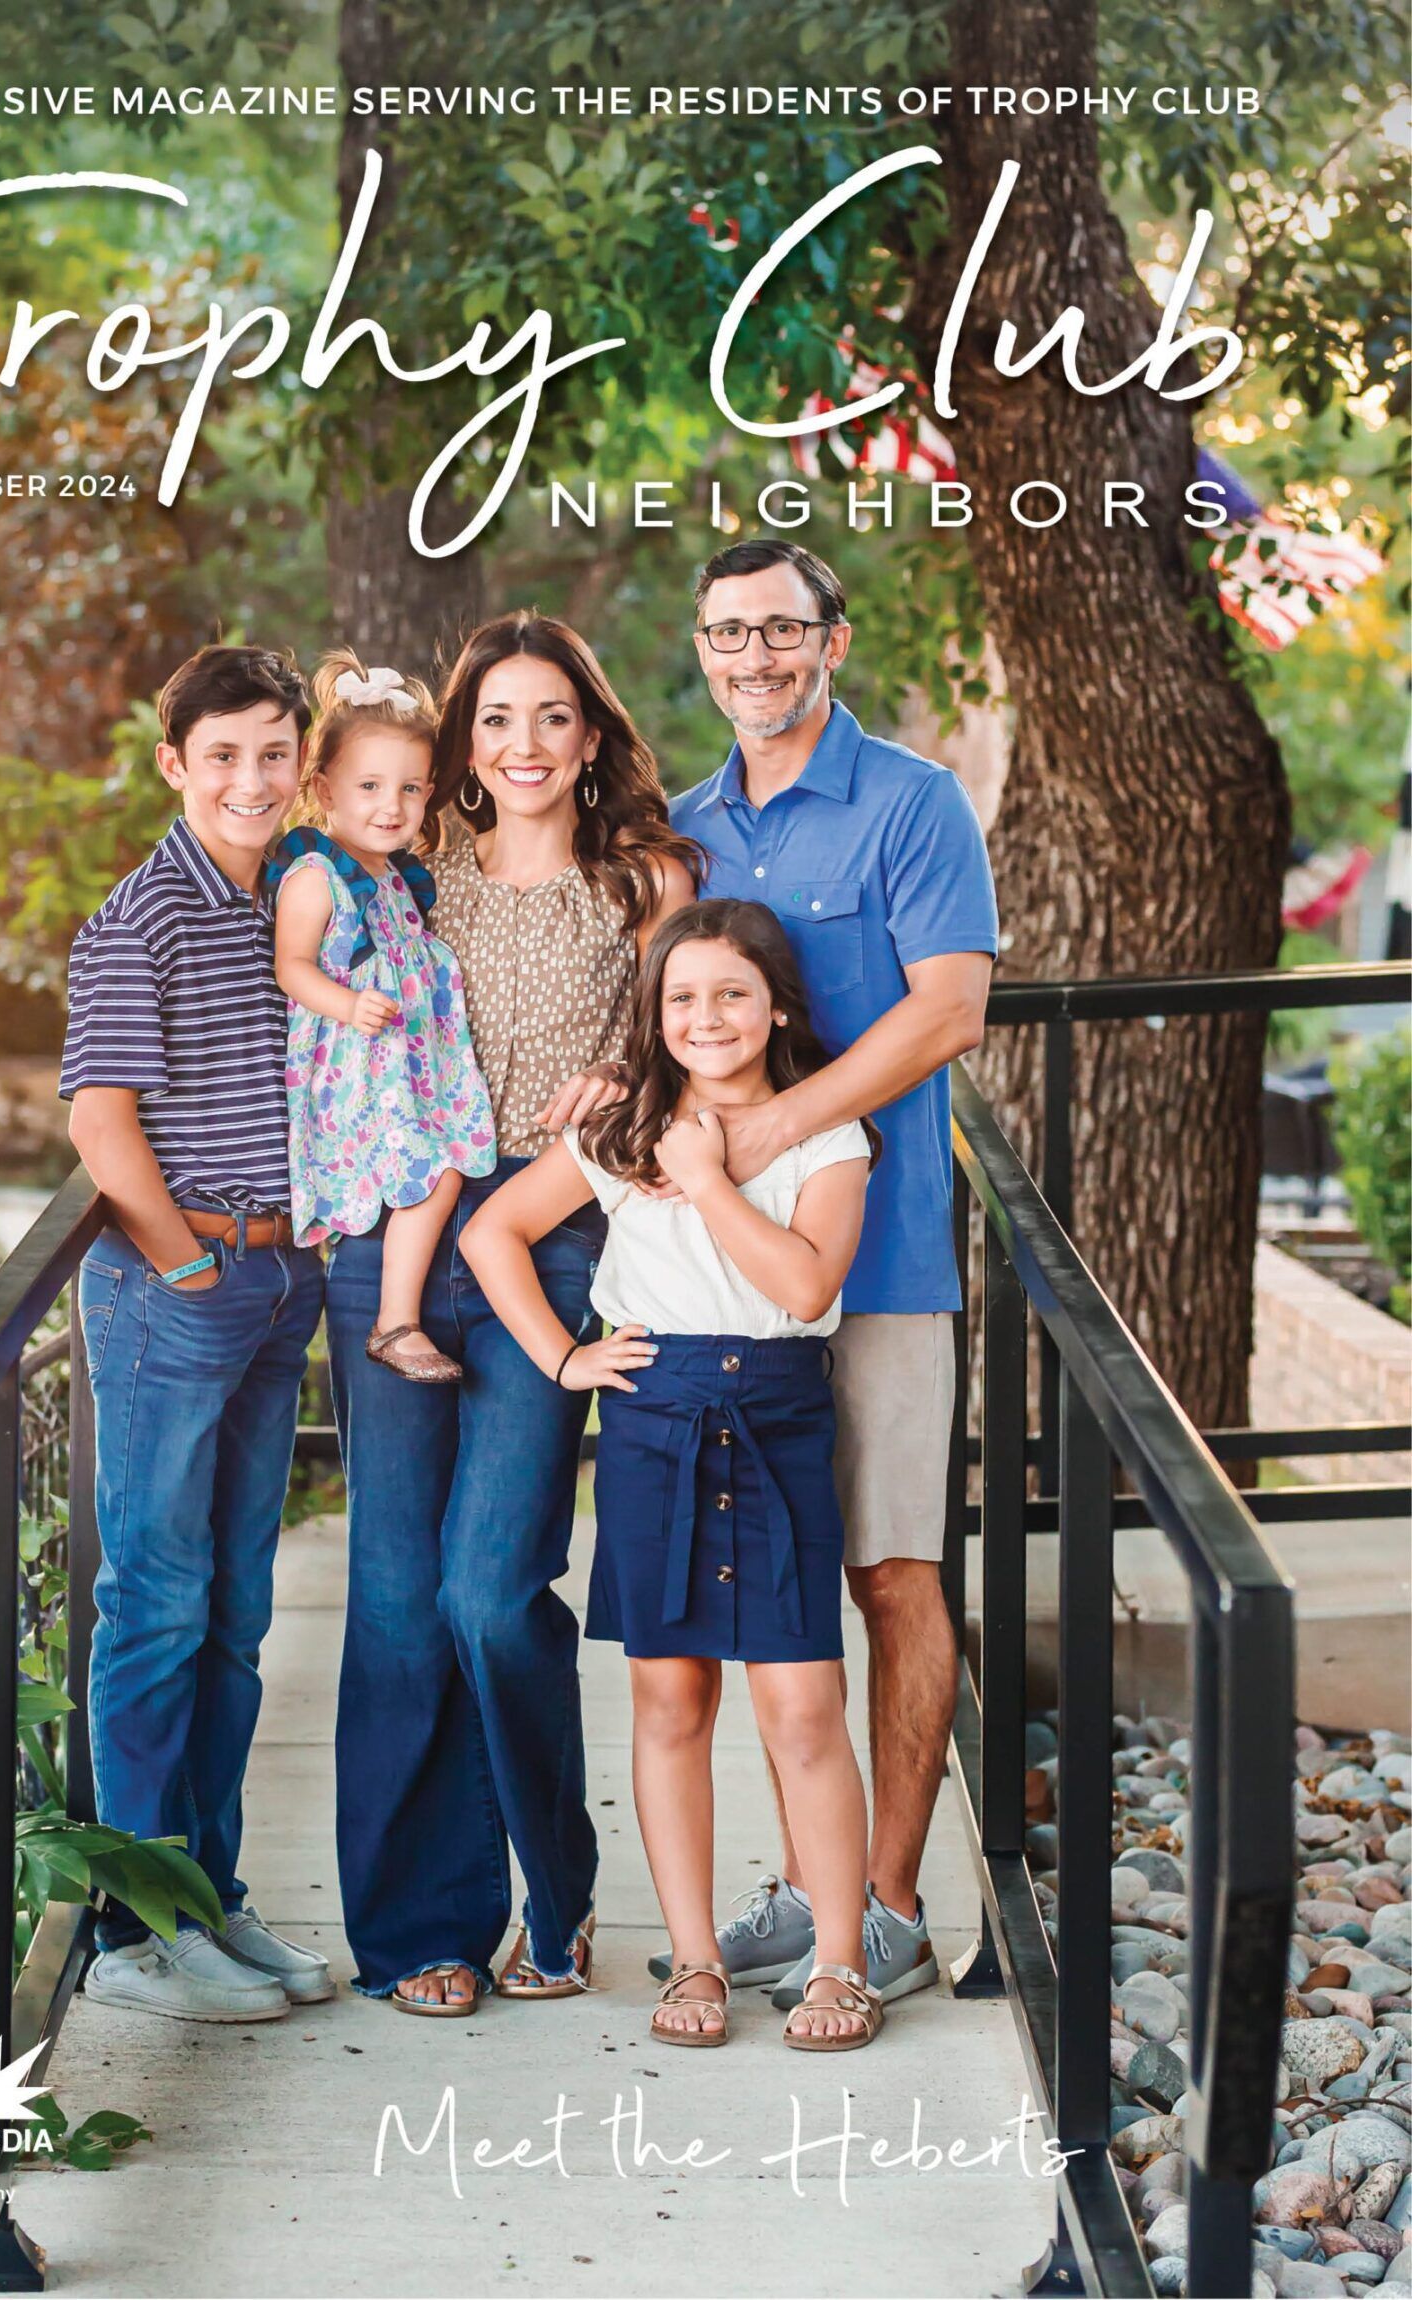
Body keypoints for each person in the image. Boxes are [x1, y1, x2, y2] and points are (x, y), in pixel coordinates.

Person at [327, 610, 699, 2014]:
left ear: (590, 734)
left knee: (490, 1594)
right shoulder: (403, 875)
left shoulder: (642, 884)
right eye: (493, 719)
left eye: (551, 717)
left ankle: (559, 1885)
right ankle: (423, 1927)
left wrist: (612, 1092)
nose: (522, 744)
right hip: (393, 1252)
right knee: (396, 1607)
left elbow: (693, 1049)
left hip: (551, 1248)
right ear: (459, 744)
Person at [664, 539, 997, 2014]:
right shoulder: (679, 831)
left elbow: (949, 1012)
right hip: (728, 1286)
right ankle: (805, 1885)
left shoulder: (914, 803)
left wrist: (776, 1126)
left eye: (780, 631)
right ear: (701, 647)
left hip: (889, 1255)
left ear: (832, 642)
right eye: (727, 633)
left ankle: (887, 1898)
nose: (754, 658)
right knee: (770, 1595)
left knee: (889, 1570)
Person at [463, 901, 882, 2050]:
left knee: (802, 1703)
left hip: (779, 1411)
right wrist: (563, 1354)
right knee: (670, 1696)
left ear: (776, 1006)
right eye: (681, 996)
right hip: (653, 1419)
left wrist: (706, 1178)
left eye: (731, 993)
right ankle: (695, 1959)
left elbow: (803, 1287)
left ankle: (837, 1963)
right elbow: (491, 1233)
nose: (706, 1016)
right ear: (653, 1015)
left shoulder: (827, 1133)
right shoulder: (621, 1130)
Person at [60, 642, 334, 2024]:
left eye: (272, 752)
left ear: (300, 762)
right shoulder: (143, 916)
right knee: (155, 1608)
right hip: (181, 1288)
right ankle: (130, 1932)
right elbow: (100, 1122)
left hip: (276, 1288)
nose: (248, 777)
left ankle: (207, 1900)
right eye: (219, 754)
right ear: (174, 764)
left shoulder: (286, 897)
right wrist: (183, 1269)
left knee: (234, 1611)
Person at [270, 651, 496, 1382]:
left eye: (407, 788)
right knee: (436, 1176)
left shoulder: (397, 877)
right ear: (323, 788)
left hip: (405, 1069)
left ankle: (398, 1315)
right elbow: (291, 967)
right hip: (354, 1075)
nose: (389, 805)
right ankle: (394, 1324)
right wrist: (347, 1003)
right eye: (368, 786)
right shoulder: (315, 877)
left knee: (447, 1169)